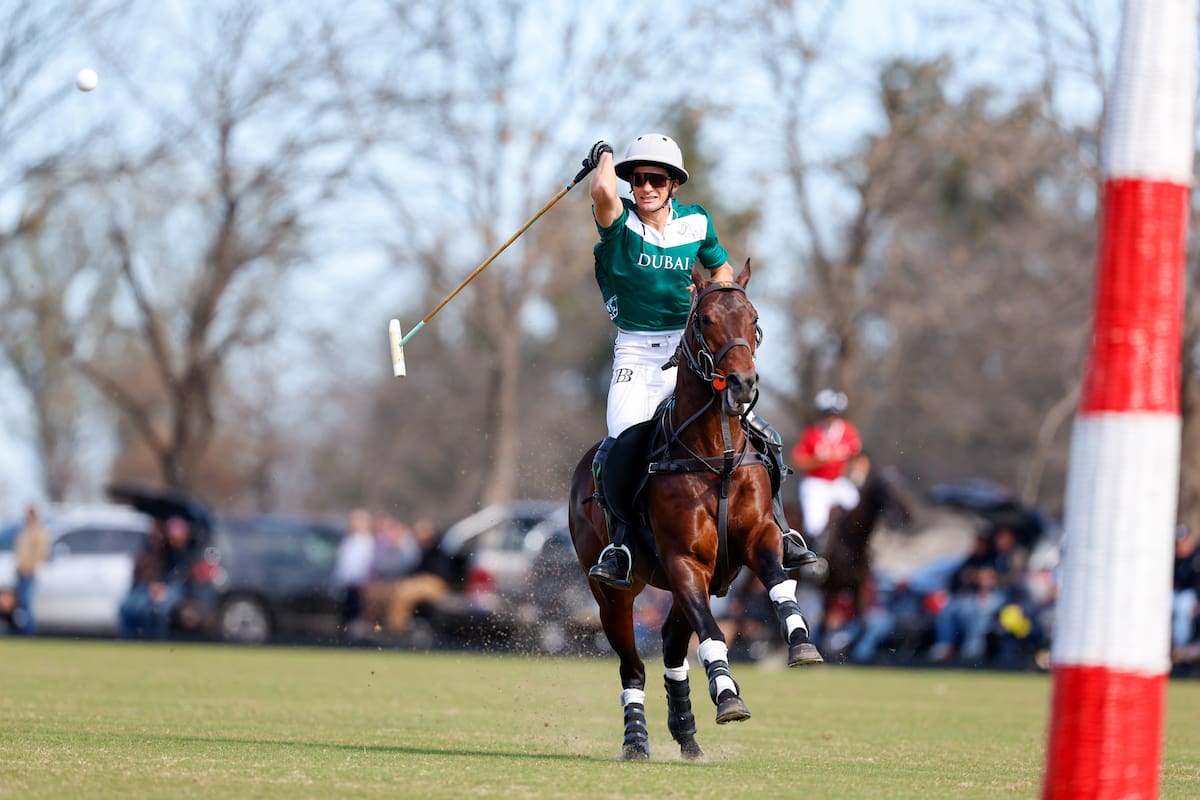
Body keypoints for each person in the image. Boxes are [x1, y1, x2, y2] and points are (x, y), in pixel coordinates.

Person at [581, 134, 816, 587]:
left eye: (657, 179)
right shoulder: (618, 225)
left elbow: (723, 272)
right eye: (639, 179)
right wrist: (606, 158)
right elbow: (603, 191)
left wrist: (716, 299)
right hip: (636, 353)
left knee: (763, 436)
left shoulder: (697, 222)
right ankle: (620, 546)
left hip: (691, 351)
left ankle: (783, 533)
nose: (645, 187)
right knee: (620, 446)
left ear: (673, 186)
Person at [792, 389, 864, 549]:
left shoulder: (847, 430)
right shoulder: (812, 433)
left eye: (834, 414)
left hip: (838, 482)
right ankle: (813, 559)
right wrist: (820, 461)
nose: (831, 418)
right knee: (814, 524)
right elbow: (798, 461)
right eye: (828, 414)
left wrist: (858, 475)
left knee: (858, 509)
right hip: (815, 484)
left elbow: (860, 457)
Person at [119, 516, 193, 640]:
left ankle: (158, 640)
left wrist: (163, 587)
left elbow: (180, 576)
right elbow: (143, 572)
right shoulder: (157, 549)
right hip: (151, 587)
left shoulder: (187, 553)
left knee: (159, 609)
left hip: (174, 588)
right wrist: (153, 585)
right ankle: (132, 639)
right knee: (128, 608)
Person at [384, 519, 453, 637]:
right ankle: (396, 626)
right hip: (423, 582)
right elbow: (414, 571)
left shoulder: (438, 549)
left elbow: (437, 574)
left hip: (436, 584)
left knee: (405, 591)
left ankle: (397, 629)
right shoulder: (421, 551)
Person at [333, 508, 376, 639]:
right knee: (345, 613)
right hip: (347, 583)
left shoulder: (367, 541)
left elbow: (367, 564)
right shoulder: (349, 540)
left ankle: (358, 638)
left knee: (356, 613)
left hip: (359, 584)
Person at [13, 505, 51, 635]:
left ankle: (30, 633)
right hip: (21, 571)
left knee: (26, 603)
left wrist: (29, 567)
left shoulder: (39, 531)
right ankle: (23, 631)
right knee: (21, 604)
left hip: (29, 572)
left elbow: (40, 553)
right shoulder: (25, 530)